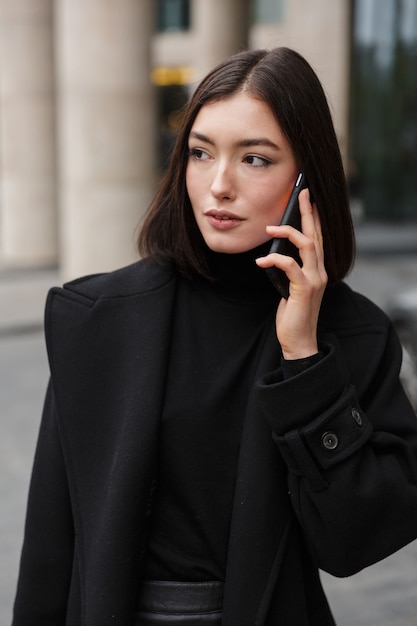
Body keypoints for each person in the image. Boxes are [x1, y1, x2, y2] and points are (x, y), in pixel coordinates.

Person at [12, 47, 417, 626]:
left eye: (255, 159)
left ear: (309, 179)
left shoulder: (353, 337)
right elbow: (51, 545)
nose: (218, 185)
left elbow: (352, 543)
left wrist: (305, 358)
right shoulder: (98, 317)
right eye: (201, 153)